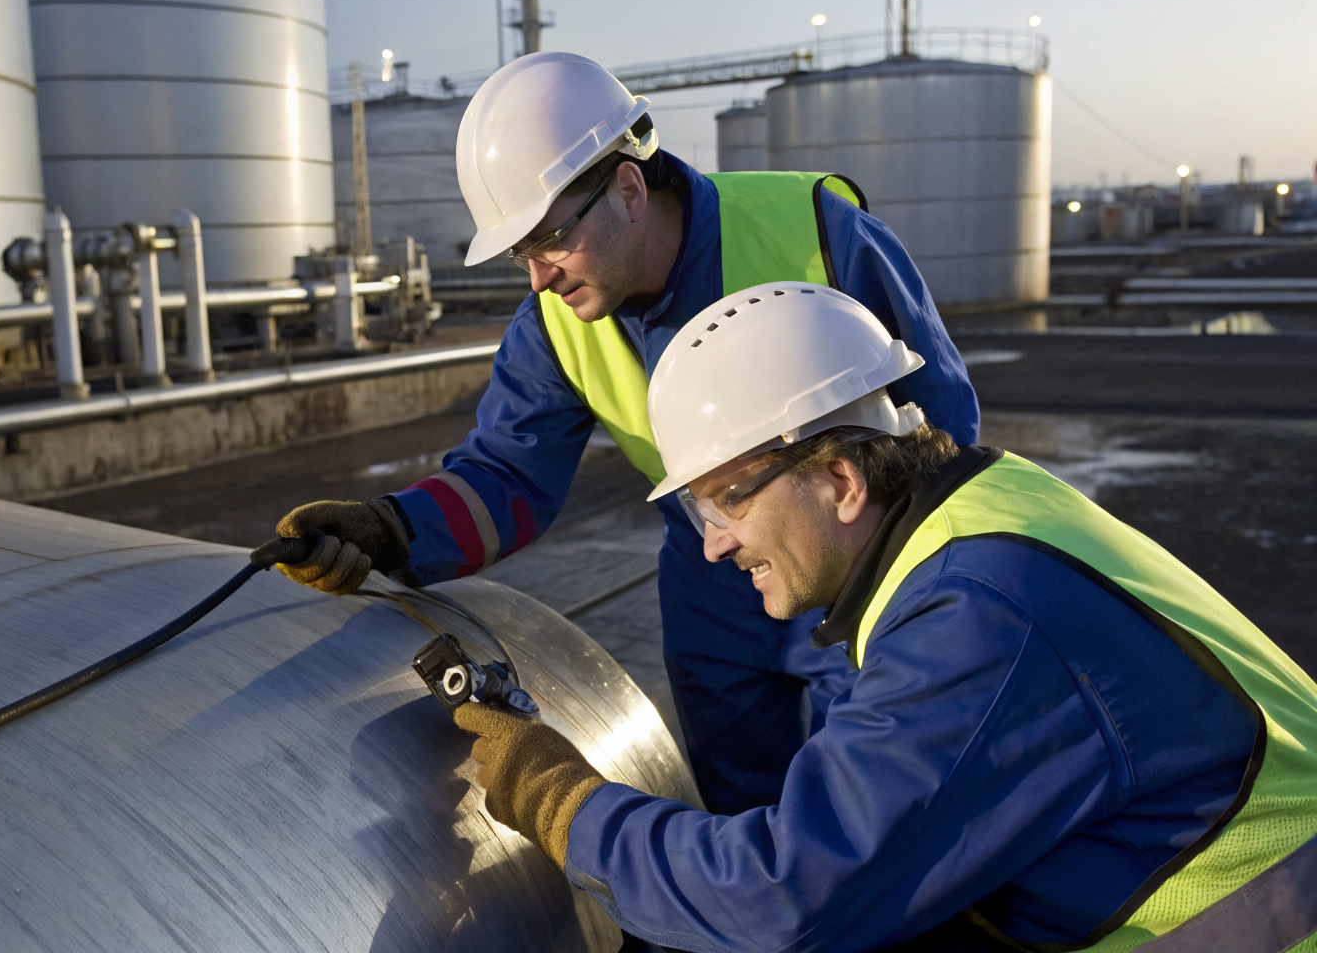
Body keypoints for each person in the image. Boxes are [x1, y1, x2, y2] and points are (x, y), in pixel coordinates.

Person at [450, 283, 1317, 952]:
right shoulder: (982, 512)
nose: (712, 546)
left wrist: (564, 801)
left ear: (841, 481)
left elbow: (788, 896)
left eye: (726, 504)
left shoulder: (980, 620)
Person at [272, 51, 979, 815]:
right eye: (521, 252)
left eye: (549, 238)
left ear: (629, 188)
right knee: (743, 813)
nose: (537, 276)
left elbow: (942, 435)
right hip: (714, 583)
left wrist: (925, 605)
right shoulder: (553, 326)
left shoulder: (818, 233)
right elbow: (507, 478)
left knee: (883, 816)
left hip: (860, 570)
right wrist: (390, 531)